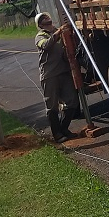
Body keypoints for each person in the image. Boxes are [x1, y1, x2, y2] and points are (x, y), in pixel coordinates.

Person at [35, 12, 78, 143]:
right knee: (52, 106)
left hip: (63, 73)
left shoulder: (57, 32)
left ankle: (63, 128)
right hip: (50, 75)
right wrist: (59, 32)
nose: (47, 19)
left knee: (72, 101)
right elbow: (46, 45)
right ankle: (57, 134)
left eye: (47, 17)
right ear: (40, 25)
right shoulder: (40, 36)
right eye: (44, 19)